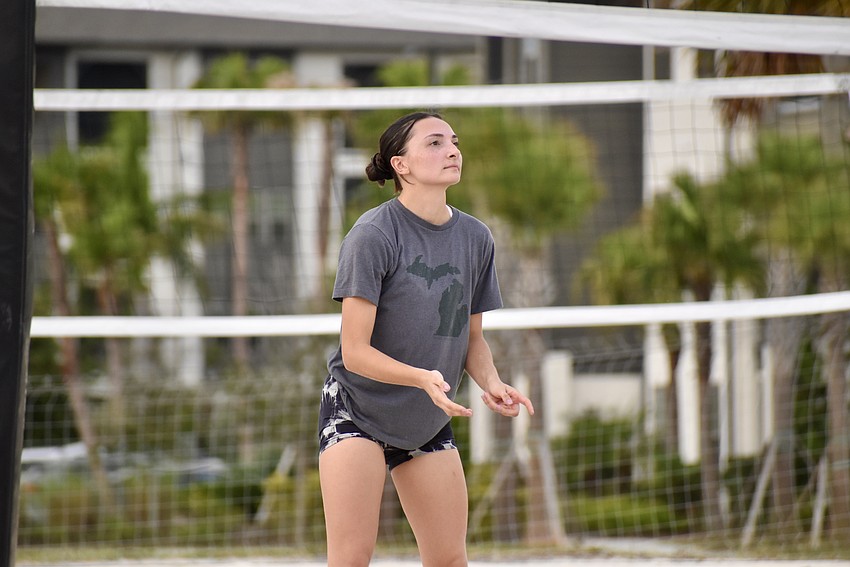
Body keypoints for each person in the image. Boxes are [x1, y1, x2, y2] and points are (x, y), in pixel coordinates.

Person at [318, 111, 534, 567]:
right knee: (351, 559)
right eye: (434, 143)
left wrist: (492, 382)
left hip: (425, 415)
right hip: (358, 409)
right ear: (402, 165)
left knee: (449, 559)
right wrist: (422, 377)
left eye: (454, 141)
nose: (452, 150)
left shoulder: (476, 237)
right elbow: (354, 353)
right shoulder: (374, 234)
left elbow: (471, 338)